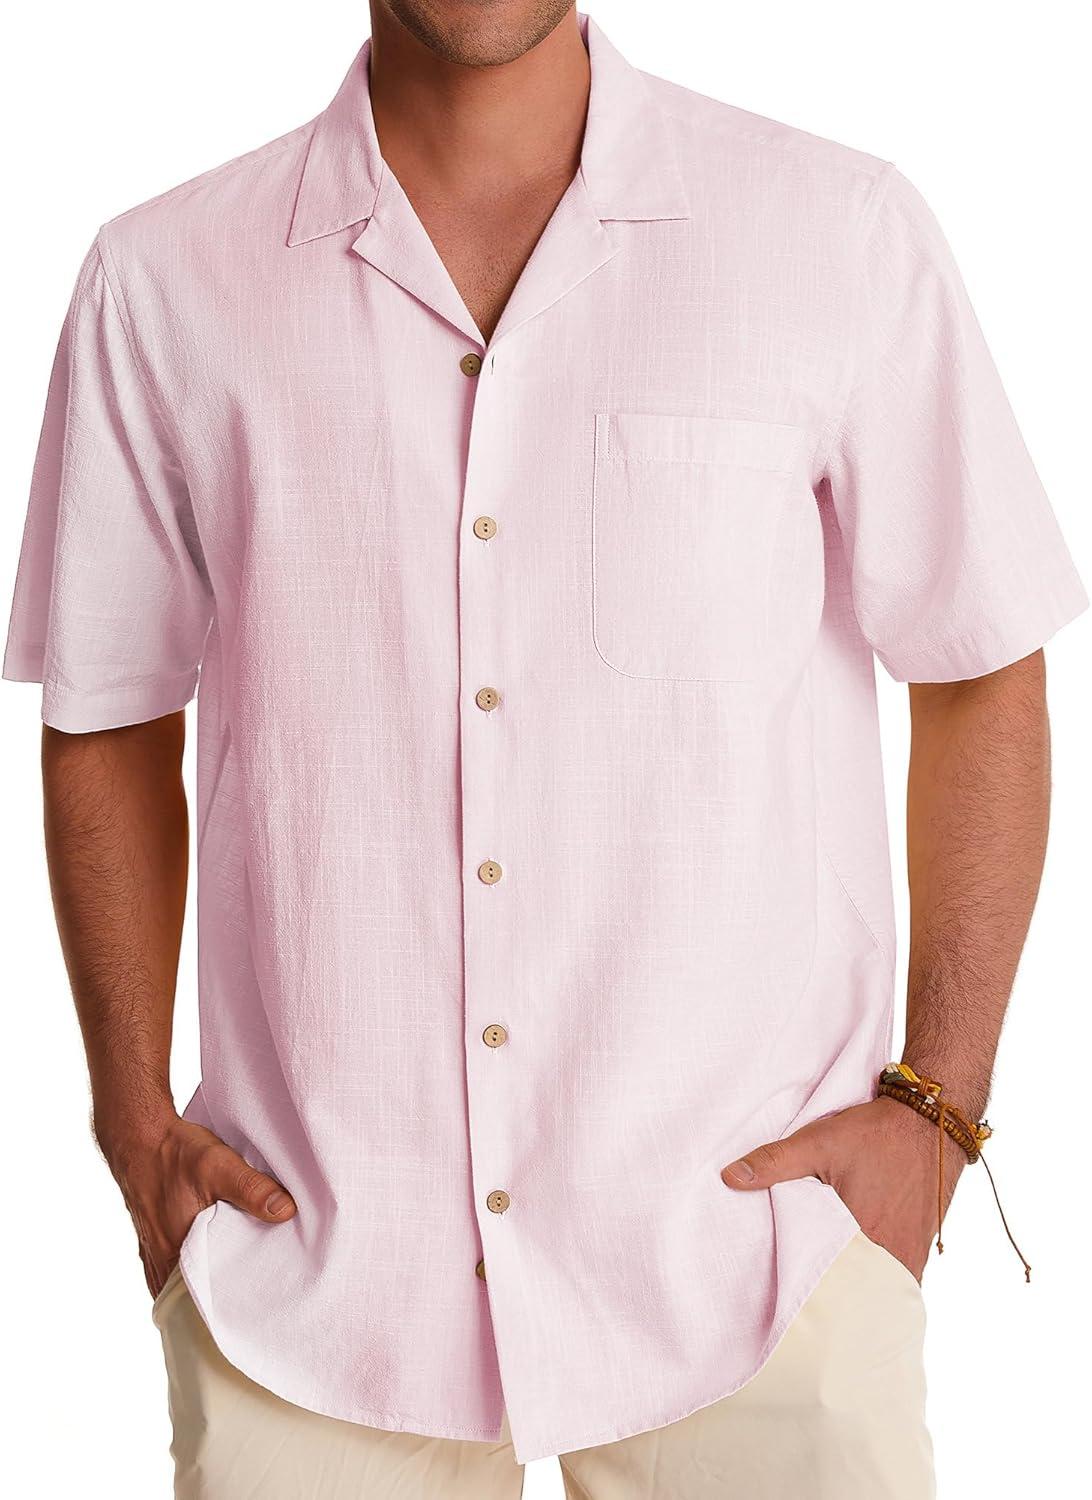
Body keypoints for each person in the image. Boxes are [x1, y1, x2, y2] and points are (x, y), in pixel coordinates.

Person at [3, 3, 1085, 1496]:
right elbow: (107, 710)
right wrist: (132, 1122)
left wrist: (939, 1112)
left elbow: (981, 668)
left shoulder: (835, 235)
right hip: (313, 1271)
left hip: (757, 1258)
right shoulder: (167, 279)